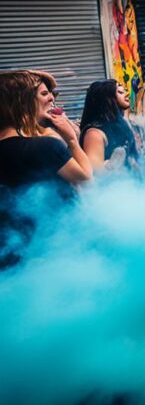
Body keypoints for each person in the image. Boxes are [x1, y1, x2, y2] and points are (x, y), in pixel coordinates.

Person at [0, 70, 92, 269]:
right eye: (44, 93)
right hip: (57, 253)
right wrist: (71, 140)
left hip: (13, 256)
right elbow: (85, 176)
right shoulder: (45, 146)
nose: (52, 98)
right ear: (22, 101)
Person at [79, 79, 140, 172]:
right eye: (120, 92)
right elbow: (95, 174)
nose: (127, 94)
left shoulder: (121, 124)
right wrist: (110, 166)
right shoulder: (94, 134)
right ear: (107, 99)